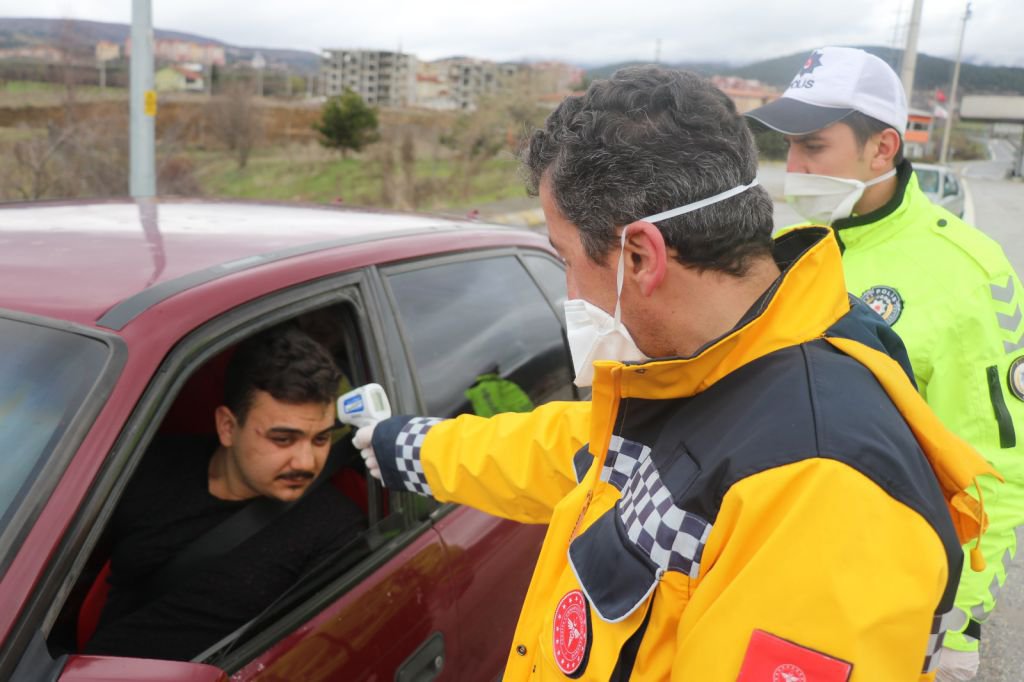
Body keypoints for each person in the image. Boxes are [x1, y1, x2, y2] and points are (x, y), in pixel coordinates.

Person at [353, 66, 997, 680]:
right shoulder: (715, 365)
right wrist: (402, 446)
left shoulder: (816, 488)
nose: (569, 291)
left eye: (567, 259)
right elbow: (569, 454)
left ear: (641, 255)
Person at [745, 46, 1024, 681]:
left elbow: (997, 469)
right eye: (788, 148)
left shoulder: (969, 277)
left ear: (883, 148)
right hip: (788, 573)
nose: (793, 167)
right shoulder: (801, 249)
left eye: (813, 147)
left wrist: (965, 621)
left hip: (896, 594)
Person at [84, 326, 366, 661]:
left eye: (320, 439)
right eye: (282, 439)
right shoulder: (151, 467)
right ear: (228, 427)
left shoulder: (336, 532)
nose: (306, 462)